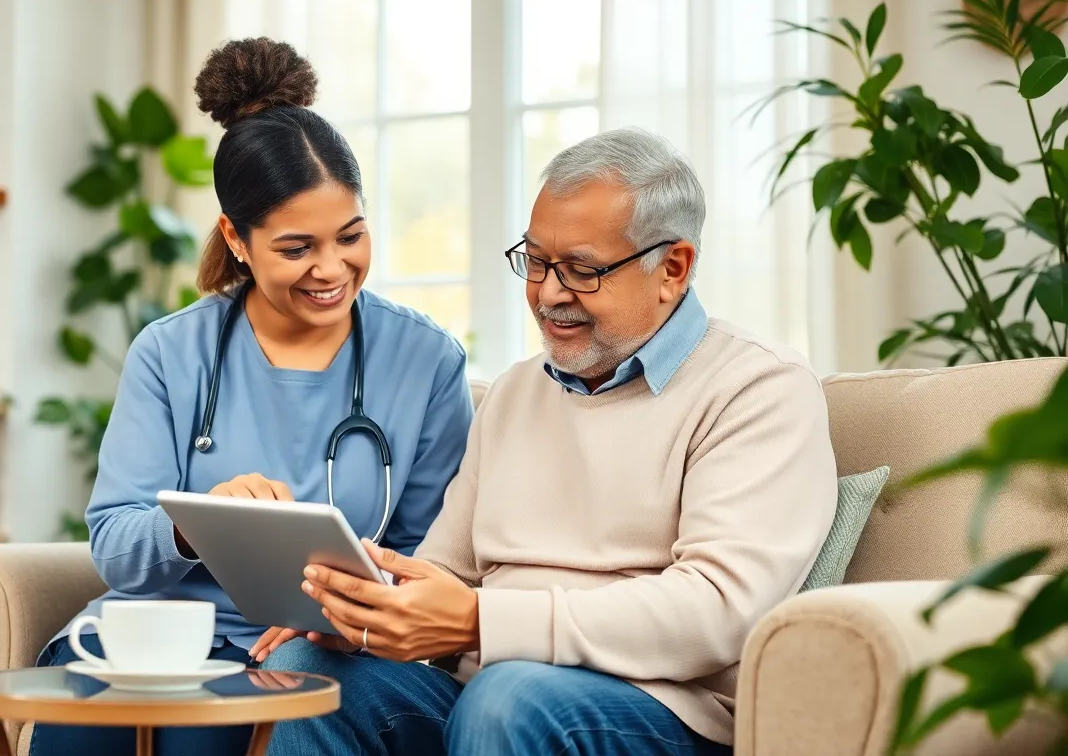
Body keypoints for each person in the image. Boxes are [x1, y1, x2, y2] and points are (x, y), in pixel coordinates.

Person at [258, 127, 840, 756]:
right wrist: (362, 612)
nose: (548, 293)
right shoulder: (516, 393)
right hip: (488, 696)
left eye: (583, 270)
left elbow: (717, 609)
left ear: (673, 268)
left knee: (506, 698)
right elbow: (446, 572)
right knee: (308, 668)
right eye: (535, 262)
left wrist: (483, 621)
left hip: (656, 708)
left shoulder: (757, 388)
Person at [28, 37, 474, 756]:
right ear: (236, 239)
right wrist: (192, 525)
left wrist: (350, 611)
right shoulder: (171, 353)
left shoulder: (426, 361)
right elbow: (114, 544)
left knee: (203, 740)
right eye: (296, 249)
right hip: (160, 635)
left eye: (351, 236)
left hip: (319, 648)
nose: (332, 269)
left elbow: (436, 558)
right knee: (86, 732)